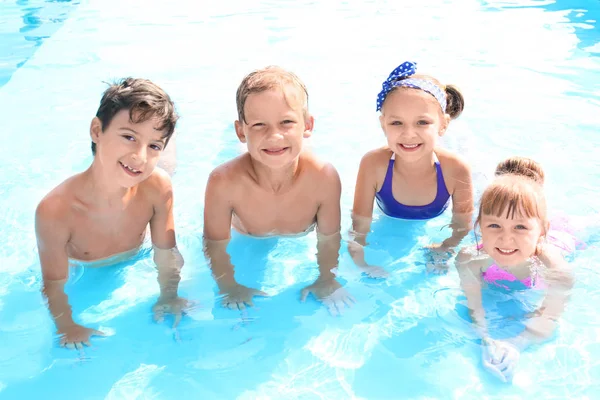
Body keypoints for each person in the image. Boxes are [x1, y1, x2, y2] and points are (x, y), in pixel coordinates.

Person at [35, 78, 188, 349]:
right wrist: (67, 326)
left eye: (154, 145)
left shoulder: (158, 187)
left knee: (164, 170)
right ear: (96, 130)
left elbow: (166, 253)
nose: (140, 156)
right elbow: (54, 285)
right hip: (87, 270)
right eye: (129, 137)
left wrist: (169, 295)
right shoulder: (56, 211)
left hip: (144, 196)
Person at [203, 66, 353, 315]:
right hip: (247, 237)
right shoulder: (223, 181)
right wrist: (228, 286)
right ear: (241, 131)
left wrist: (327, 277)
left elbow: (329, 238)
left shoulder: (323, 177)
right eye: (259, 124)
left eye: (286, 122)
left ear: (308, 125)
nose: (274, 135)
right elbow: (214, 245)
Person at [349, 61, 473, 277]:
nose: (408, 134)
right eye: (396, 123)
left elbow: (462, 227)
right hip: (388, 225)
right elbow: (359, 228)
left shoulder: (456, 169)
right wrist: (362, 264)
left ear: (443, 124)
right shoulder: (372, 165)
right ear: (382, 124)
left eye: (422, 123)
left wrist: (445, 248)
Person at [456, 161, 574, 382]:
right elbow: (473, 306)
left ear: (542, 230)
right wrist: (486, 340)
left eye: (520, 227)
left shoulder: (555, 269)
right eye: (494, 226)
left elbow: (549, 317)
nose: (506, 238)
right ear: (479, 226)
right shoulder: (470, 260)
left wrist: (516, 344)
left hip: (564, 240)